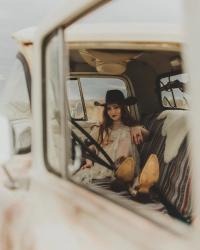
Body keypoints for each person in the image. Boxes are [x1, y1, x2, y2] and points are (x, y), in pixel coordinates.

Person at [73, 89, 159, 195]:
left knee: (126, 133)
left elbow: (148, 136)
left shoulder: (131, 127)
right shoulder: (101, 128)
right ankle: (124, 178)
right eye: (109, 108)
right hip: (106, 163)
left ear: (123, 108)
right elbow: (90, 147)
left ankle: (134, 181)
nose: (112, 112)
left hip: (128, 164)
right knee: (125, 134)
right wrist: (89, 162)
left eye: (116, 107)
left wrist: (137, 128)